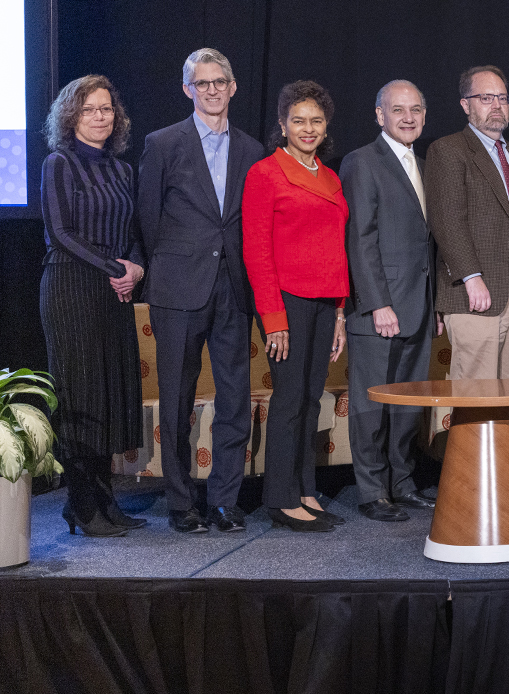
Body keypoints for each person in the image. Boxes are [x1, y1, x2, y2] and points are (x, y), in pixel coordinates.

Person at [138, 48, 264, 534]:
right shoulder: (163, 142)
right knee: (176, 399)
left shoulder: (253, 150)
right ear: (188, 89)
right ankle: (180, 501)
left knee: (234, 399)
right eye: (202, 83)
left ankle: (225, 502)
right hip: (178, 288)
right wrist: (169, 267)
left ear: (233, 87)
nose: (212, 90)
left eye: (220, 82)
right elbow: (148, 218)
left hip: (234, 289)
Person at [38, 75, 145, 537]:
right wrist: (114, 268)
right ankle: (81, 505)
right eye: (89, 109)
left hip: (113, 292)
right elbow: (61, 232)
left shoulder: (123, 171)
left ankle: (105, 500)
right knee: (80, 396)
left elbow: (136, 231)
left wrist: (135, 267)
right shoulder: (58, 163)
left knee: (108, 396)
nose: (100, 116)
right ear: (71, 116)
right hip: (71, 288)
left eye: (106, 109)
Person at [242, 81, 349, 532]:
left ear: (326, 128)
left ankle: (306, 487)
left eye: (316, 121)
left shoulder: (330, 175)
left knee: (311, 397)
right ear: (283, 125)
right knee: (289, 399)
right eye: (299, 121)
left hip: (327, 301)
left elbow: (337, 246)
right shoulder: (265, 173)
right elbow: (256, 251)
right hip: (288, 301)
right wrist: (273, 319)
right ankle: (281, 498)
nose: (308, 129)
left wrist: (341, 311)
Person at [341, 80, 438, 523]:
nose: (407, 117)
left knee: (406, 402)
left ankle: (402, 483)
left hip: (418, 305)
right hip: (380, 310)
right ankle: (372, 490)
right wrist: (377, 303)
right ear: (379, 115)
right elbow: (359, 240)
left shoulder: (422, 164)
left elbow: (426, 245)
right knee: (371, 403)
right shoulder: (362, 162)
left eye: (415, 109)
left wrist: (433, 304)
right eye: (397, 109)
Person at [425, 66, 509, 382]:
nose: (497, 105)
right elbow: (447, 220)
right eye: (486, 98)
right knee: (478, 393)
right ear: (465, 104)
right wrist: (471, 277)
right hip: (474, 289)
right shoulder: (448, 150)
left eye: (502, 97)